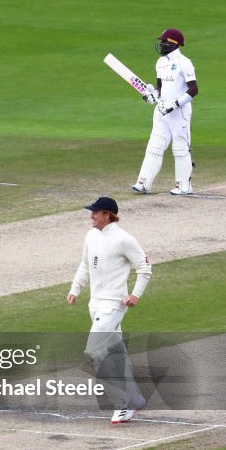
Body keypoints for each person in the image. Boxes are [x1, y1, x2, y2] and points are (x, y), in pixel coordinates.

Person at [66, 197, 151, 424]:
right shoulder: (91, 236)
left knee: (93, 351)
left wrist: (135, 295)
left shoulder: (124, 239)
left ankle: (123, 404)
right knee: (117, 353)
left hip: (114, 305)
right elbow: (85, 265)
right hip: (95, 305)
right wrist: (75, 289)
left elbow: (144, 267)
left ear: (108, 215)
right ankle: (135, 398)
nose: (91, 215)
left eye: (95, 212)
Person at [131, 28, 199, 196]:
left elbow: (194, 90)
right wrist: (152, 94)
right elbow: (161, 88)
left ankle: (184, 186)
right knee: (154, 145)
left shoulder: (185, 63)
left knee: (180, 148)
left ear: (174, 44)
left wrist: (174, 104)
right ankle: (143, 183)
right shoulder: (160, 62)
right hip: (161, 111)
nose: (161, 44)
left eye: (164, 41)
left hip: (179, 112)